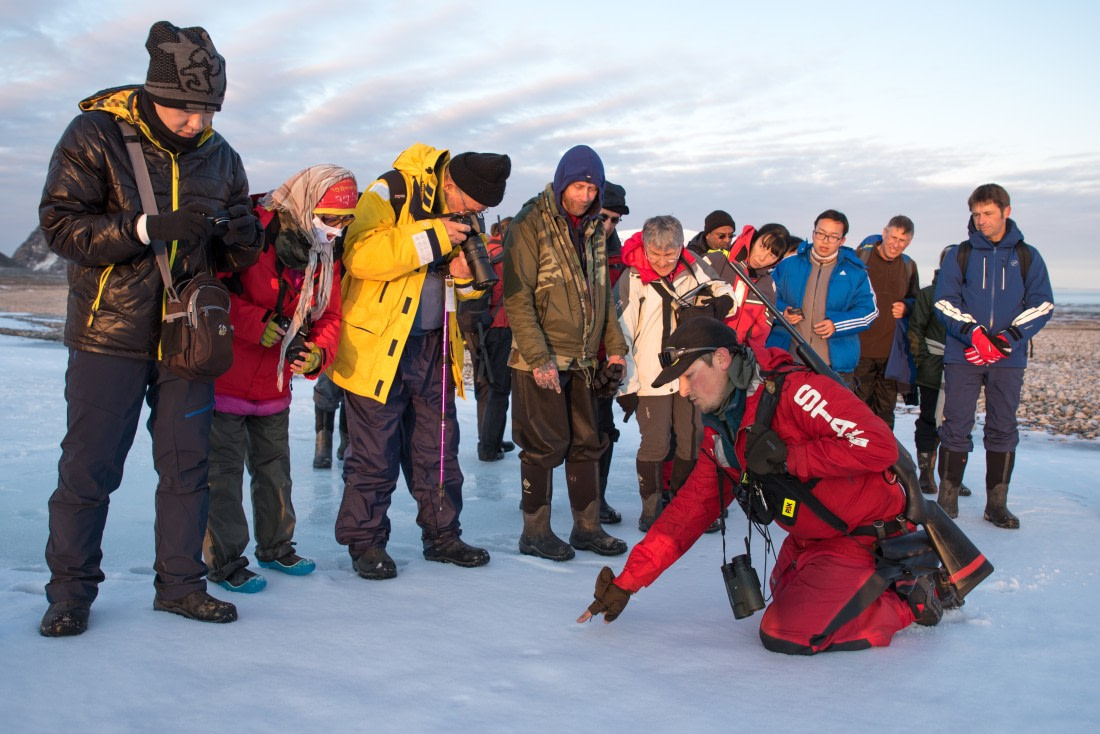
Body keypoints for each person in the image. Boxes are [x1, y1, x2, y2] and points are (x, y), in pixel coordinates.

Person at [37, 21, 263, 636]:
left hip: (189, 338)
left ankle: (181, 585)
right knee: (89, 468)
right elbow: (60, 227)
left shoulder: (222, 156)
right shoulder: (95, 135)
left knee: (188, 467)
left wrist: (245, 240)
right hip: (108, 334)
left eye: (208, 111)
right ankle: (71, 594)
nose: (197, 124)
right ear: (153, 91)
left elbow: (237, 256)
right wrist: (144, 229)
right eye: (184, 110)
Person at [578, 318, 941, 654]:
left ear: (721, 359)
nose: (684, 390)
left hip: (861, 537)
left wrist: (790, 458)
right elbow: (686, 515)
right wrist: (628, 581)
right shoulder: (722, 430)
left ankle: (912, 600)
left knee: (786, 632)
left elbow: (879, 445)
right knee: (782, 595)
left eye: (689, 375)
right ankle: (870, 586)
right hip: (810, 541)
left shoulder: (795, 391)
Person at [331, 145, 510, 579]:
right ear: (451, 184)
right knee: (374, 454)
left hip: (434, 345)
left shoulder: (462, 214)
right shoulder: (389, 190)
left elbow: (462, 292)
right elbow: (359, 255)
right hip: (378, 347)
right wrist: (433, 236)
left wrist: (467, 283)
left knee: (440, 450)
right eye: (472, 204)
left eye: (482, 209)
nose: (474, 213)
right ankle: (366, 543)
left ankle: (444, 536)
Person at [203, 166, 355, 593]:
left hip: (274, 383)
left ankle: (276, 546)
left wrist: (317, 354)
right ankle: (226, 561)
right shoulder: (252, 233)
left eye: (345, 220)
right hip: (226, 377)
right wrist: (256, 323)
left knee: (274, 471)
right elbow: (211, 291)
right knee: (224, 475)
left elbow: (331, 314)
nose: (337, 229)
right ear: (307, 206)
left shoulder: (326, 255)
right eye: (330, 217)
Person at [502, 144, 629, 562]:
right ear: (562, 182)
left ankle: (587, 528)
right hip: (540, 356)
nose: (585, 196)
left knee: (587, 442)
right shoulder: (529, 223)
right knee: (543, 445)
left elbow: (603, 296)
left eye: (592, 189)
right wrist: (539, 359)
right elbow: (517, 299)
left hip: (584, 358)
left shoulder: (593, 227)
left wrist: (615, 348)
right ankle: (534, 532)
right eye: (578, 186)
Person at [933, 184, 1053, 529]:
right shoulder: (961, 254)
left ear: (1006, 212)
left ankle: (996, 504)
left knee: (1003, 426)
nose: (981, 221)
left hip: (1008, 358)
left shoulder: (1028, 256)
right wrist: (973, 334)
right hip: (963, 354)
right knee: (955, 425)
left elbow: (1042, 303)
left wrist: (1007, 338)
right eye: (976, 214)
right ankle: (947, 499)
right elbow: (945, 301)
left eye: (987, 214)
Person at [616, 215, 735, 531]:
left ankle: (681, 501)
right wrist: (626, 386)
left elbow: (725, 290)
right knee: (655, 443)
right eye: (656, 255)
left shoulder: (693, 266)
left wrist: (720, 300)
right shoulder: (633, 277)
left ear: (680, 248)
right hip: (650, 377)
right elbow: (623, 333)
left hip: (689, 373)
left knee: (692, 438)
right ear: (645, 247)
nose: (663, 261)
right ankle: (651, 509)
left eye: (670, 254)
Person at [767, 209, 878, 389]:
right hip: (789, 361)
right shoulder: (787, 266)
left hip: (834, 366)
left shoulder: (856, 273)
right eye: (821, 234)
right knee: (785, 416)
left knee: (833, 416)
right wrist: (782, 312)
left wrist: (837, 324)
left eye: (833, 236)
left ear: (842, 240)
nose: (825, 241)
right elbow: (765, 298)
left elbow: (870, 311)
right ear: (813, 233)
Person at [909, 246, 971, 498]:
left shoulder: (971, 296)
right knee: (928, 419)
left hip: (965, 370)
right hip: (933, 369)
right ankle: (926, 473)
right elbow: (916, 330)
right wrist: (924, 362)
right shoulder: (928, 295)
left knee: (960, 423)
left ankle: (952, 476)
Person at [853, 216, 920, 429]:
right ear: (884, 233)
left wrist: (907, 306)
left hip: (891, 354)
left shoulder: (909, 266)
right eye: (893, 237)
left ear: (908, 242)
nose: (896, 244)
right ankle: (856, 459)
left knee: (885, 412)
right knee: (858, 410)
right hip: (860, 350)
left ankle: (883, 460)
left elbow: (915, 299)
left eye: (902, 240)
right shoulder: (860, 258)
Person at [596, 181, 630, 524]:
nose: (608, 226)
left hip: (604, 361)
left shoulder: (622, 261)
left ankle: (596, 499)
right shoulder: (563, 247)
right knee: (548, 439)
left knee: (603, 432)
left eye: (615, 221)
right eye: (604, 217)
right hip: (557, 358)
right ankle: (535, 499)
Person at [469, 216, 515, 462]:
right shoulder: (506, 257)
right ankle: (488, 447)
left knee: (486, 386)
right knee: (499, 389)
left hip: (479, 328)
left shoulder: (485, 250)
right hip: (500, 328)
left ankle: (490, 440)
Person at [705, 223, 790, 350]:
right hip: (702, 346)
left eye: (772, 255)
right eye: (762, 247)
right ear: (754, 240)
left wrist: (750, 357)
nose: (762, 257)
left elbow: (761, 331)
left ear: (777, 261)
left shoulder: (768, 285)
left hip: (735, 356)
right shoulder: (716, 261)